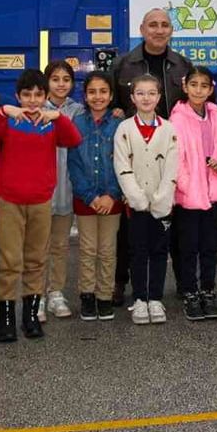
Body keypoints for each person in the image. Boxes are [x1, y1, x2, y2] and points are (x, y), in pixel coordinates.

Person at [0, 69, 82, 342]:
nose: (33, 101)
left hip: (40, 200)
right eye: (27, 95)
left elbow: (73, 139)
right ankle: (7, 317)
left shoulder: (50, 123)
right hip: (10, 201)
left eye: (38, 95)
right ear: (18, 96)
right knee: (10, 261)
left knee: (37, 260)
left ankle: (30, 316)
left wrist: (58, 116)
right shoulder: (8, 120)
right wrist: (3, 111)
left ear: (46, 96)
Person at [109, 9, 194, 305]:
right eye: (153, 25)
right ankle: (121, 282)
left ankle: (184, 283)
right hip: (135, 155)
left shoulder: (183, 65)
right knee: (129, 230)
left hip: (171, 154)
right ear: (142, 29)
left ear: (172, 30)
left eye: (165, 25)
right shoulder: (123, 65)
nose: (159, 30)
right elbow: (112, 107)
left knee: (175, 225)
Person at [170, 66, 217, 322]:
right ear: (185, 86)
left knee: (210, 248)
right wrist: (186, 185)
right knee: (188, 248)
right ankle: (189, 292)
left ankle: (208, 291)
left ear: (211, 89)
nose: (198, 90)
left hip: (212, 196)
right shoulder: (177, 118)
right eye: (194, 85)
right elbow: (175, 158)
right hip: (188, 197)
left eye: (204, 86)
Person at [113, 74, 178, 325]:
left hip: (162, 205)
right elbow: (121, 165)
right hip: (136, 204)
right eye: (140, 93)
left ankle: (155, 298)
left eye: (151, 93)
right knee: (138, 251)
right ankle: (140, 298)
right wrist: (138, 198)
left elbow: (172, 167)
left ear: (159, 97)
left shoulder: (169, 129)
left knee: (159, 251)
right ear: (132, 97)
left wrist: (161, 199)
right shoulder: (124, 129)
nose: (146, 98)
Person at [68, 71, 124, 321]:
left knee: (108, 249)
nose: (98, 97)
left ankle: (104, 295)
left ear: (111, 95)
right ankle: (87, 295)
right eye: (92, 92)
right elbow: (74, 164)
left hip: (112, 199)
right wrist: (90, 195)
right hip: (85, 199)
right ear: (85, 95)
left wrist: (112, 194)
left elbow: (125, 162)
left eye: (103, 92)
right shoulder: (77, 124)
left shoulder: (120, 124)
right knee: (88, 249)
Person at [41, 60, 84, 321]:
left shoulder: (79, 111)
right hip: (41, 190)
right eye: (55, 78)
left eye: (65, 79)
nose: (60, 84)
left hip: (66, 189)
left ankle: (56, 292)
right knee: (37, 247)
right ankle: (36, 296)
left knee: (60, 245)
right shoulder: (33, 109)